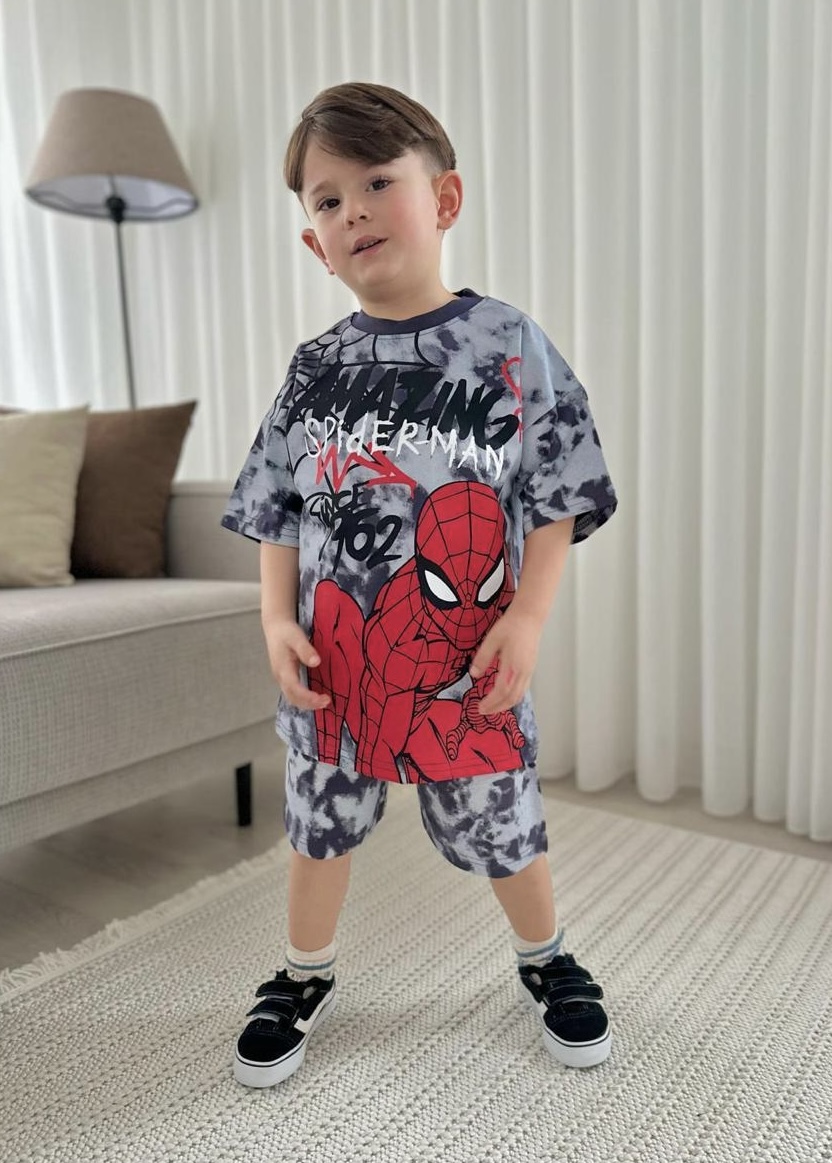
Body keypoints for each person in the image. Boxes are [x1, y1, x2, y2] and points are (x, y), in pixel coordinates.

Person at [222, 81, 618, 1088]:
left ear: (443, 199)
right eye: (326, 200)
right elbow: (277, 504)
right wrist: (273, 616)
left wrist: (528, 615)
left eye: (374, 183)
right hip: (336, 659)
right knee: (320, 824)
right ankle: (303, 970)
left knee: (502, 816)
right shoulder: (313, 369)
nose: (351, 210)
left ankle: (546, 955)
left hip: (467, 659)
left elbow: (558, 490)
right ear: (314, 244)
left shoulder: (507, 345)